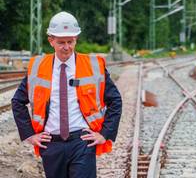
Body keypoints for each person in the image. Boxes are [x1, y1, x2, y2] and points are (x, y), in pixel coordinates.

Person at [12, 11, 122, 178]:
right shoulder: (37, 67)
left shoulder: (94, 66)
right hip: (51, 144)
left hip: (82, 142)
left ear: (76, 39)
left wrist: (104, 134)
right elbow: (17, 102)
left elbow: (115, 100)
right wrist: (29, 134)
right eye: (61, 42)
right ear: (51, 41)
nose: (67, 47)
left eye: (70, 42)